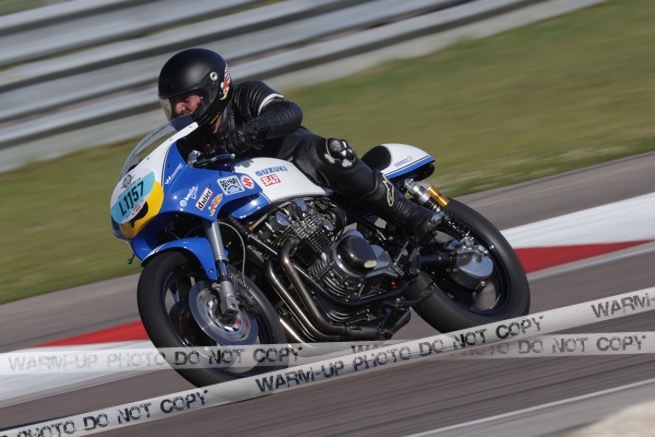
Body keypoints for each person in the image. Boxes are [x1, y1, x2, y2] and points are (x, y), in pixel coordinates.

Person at [157, 48, 440, 241]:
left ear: (213, 88)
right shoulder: (188, 142)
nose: (179, 109)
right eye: (173, 103)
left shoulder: (246, 95)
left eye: (186, 99)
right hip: (258, 202)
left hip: (302, 168)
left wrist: (250, 131)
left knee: (329, 151)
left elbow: (289, 111)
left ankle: (408, 213)